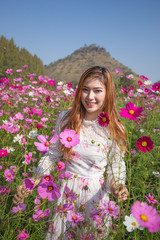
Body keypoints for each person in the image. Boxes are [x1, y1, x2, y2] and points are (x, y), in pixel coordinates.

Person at [13, 66, 129, 239]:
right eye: (85, 90)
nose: (90, 97)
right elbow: (52, 155)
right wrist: (34, 179)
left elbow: (116, 164)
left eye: (97, 91)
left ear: (108, 94)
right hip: (66, 195)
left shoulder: (114, 127)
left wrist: (116, 186)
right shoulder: (66, 119)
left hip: (95, 197)